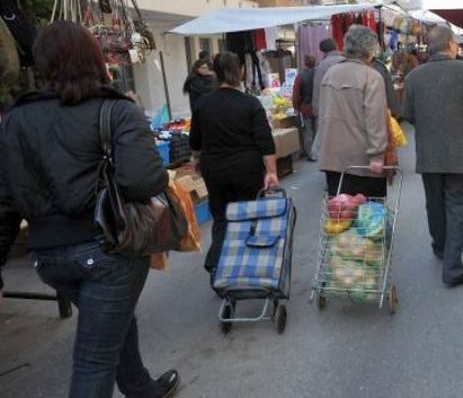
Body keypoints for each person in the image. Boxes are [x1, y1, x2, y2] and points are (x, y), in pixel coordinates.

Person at [0, 21, 179, 398]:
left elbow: (5, 197)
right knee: (93, 362)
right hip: (108, 249)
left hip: (48, 259)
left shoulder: (15, 118)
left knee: (112, 320)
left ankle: (140, 387)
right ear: (95, 58)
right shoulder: (116, 109)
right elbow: (144, 182)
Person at [403, 26, 463, 287]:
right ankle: (452, 267)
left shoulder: (413, 77)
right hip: (460, 151)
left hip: (428, 152)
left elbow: (408, 114)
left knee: (435, 203)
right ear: (451, 44)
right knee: (459, 205)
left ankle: (440, 246)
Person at [189, 51, 278, 280]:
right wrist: (271, 172)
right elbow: (265, 141)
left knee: (221, 216)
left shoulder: (203, 104)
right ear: (241, 72)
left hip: (215, 168)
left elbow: (195, 141)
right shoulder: (250, 103)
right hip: (246, 168)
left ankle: (218, 262)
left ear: (215, 74)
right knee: (247, 215)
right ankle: (244, 265)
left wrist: (196, 159)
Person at [317, 25, 388, 198]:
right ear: (370, 50)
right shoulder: (371, 76)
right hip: (362, 162)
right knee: (368, 219)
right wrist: (377, 155)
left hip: (332, 158)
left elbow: (322, 112)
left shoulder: (330, 73)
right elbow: (375, 119)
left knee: (340, 217)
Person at [292, 54, 317, 160]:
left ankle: (311, 154)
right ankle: (318, 152)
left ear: (304, 62)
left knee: (308, 131)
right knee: (317, 130)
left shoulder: (300, 76)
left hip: (305, 107)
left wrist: (296, 106)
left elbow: (296, 94)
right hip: (318, 106)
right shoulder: (320, 73)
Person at [312, 38, 345, 118]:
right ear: (336, 46)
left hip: (331, 110)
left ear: (322, 51)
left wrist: (316, 110)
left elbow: (318, 89)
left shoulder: (323, 65)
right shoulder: (347, 60)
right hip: (349, 108)